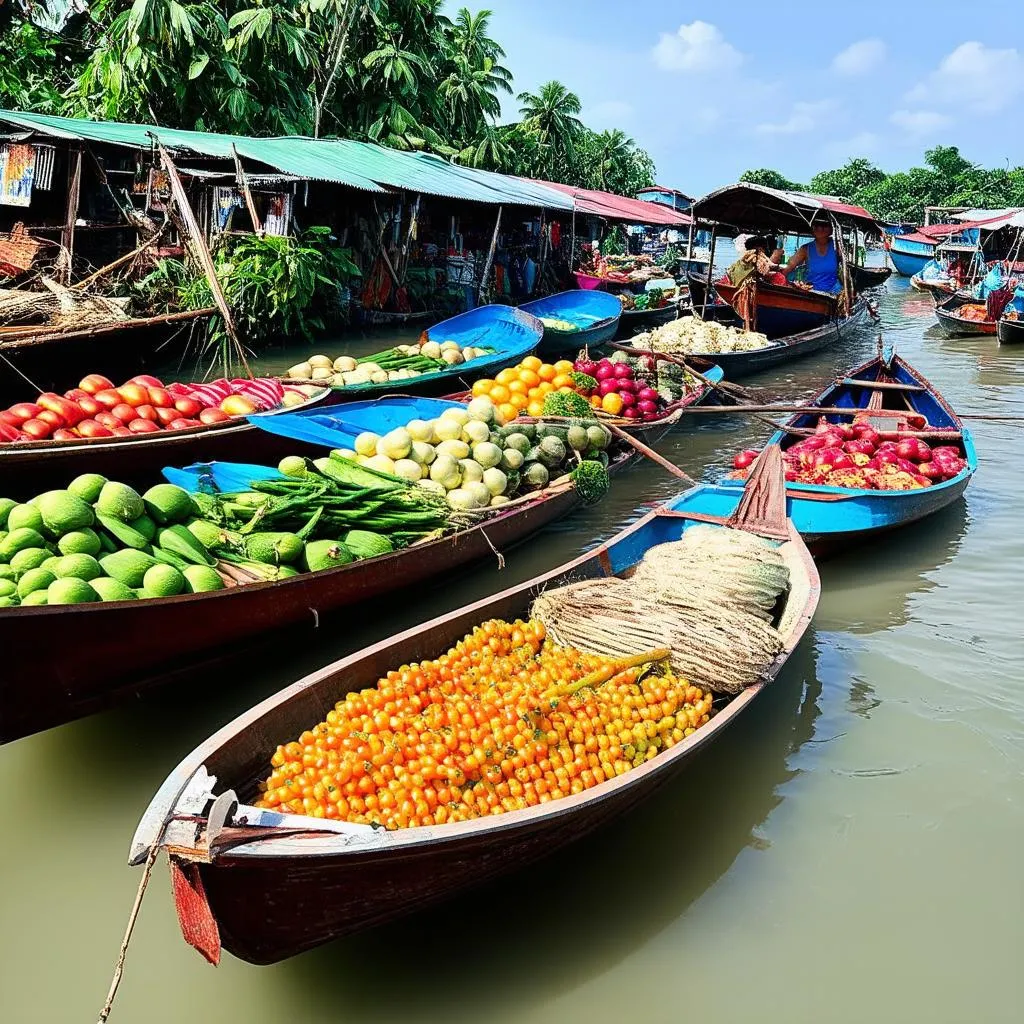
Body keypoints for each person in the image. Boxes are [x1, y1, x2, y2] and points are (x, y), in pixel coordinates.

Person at [781, 219, 843, 293]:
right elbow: (789, 267)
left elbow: (846, 269)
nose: (820, 228)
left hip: (834, 292)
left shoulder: (838, 247)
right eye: (816, 225)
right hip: (812, 293)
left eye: (825, 225)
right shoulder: (805, 249)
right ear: (812, 228)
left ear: (832, 228)